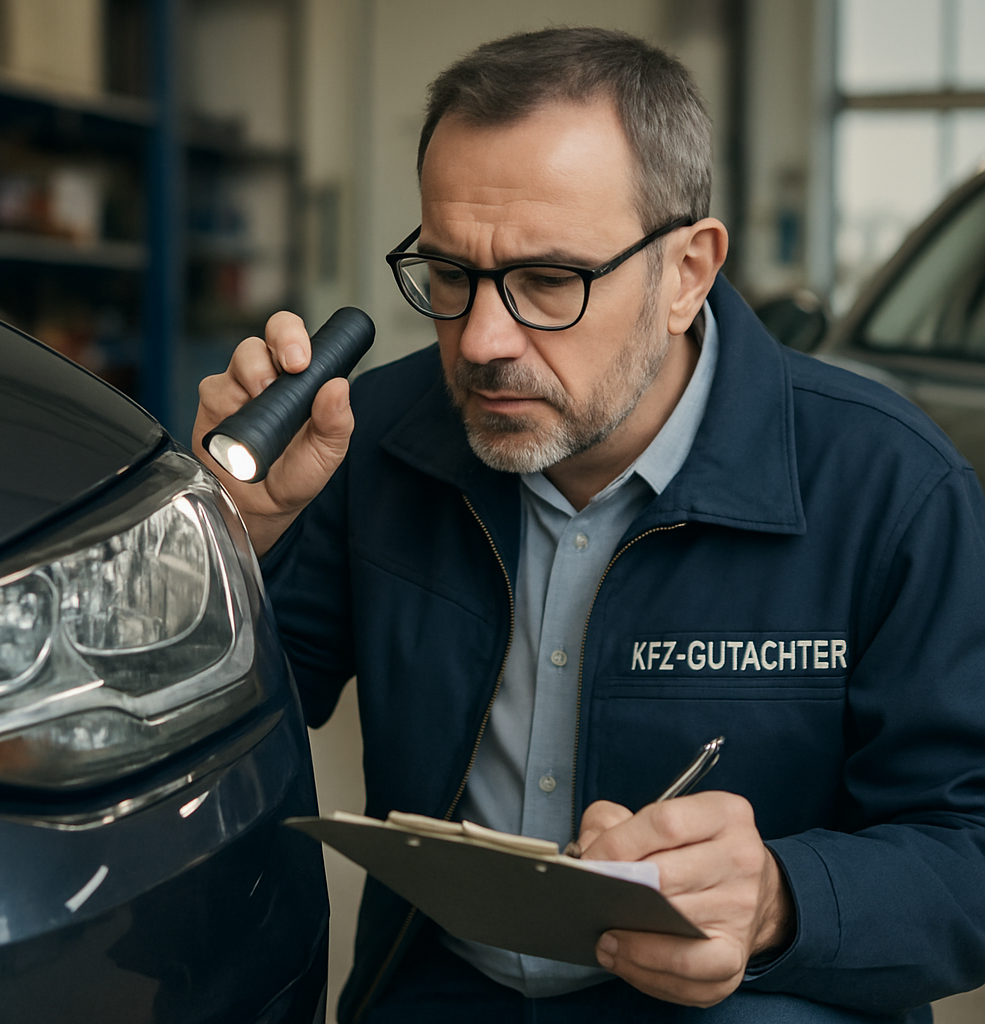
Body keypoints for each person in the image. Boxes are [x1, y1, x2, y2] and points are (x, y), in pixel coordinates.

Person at [193, 27, 985, 1024]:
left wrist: (778, 903)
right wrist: (234, 541)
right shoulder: (373, 441)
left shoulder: (888, 486)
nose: (482, 340)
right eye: (449, 275)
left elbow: (969, 848)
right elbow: (216, 735)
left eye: (548, 281)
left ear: (688, 271)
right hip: (441, 992)